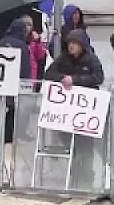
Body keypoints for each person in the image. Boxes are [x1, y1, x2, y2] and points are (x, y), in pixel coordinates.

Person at [44, 29, 104, 190]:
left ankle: (87, 178)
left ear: (82, 45)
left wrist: (76, 80)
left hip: (86, 113)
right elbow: (49, 74)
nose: (71, 46)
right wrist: (63, 78)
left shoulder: (91, 59)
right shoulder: (63, 59)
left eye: (74, 44)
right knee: (70, 144)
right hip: (68, 112)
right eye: (69, 43)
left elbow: (98, 77)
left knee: (86, 146)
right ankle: (74, 176)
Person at [21, 14, 47, 81]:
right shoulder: (17, 39)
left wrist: (38, 41)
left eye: (29, 25)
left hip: (32, 74)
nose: (27, 27)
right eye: (25, 24)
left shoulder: (34, 40)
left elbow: (41, 56)